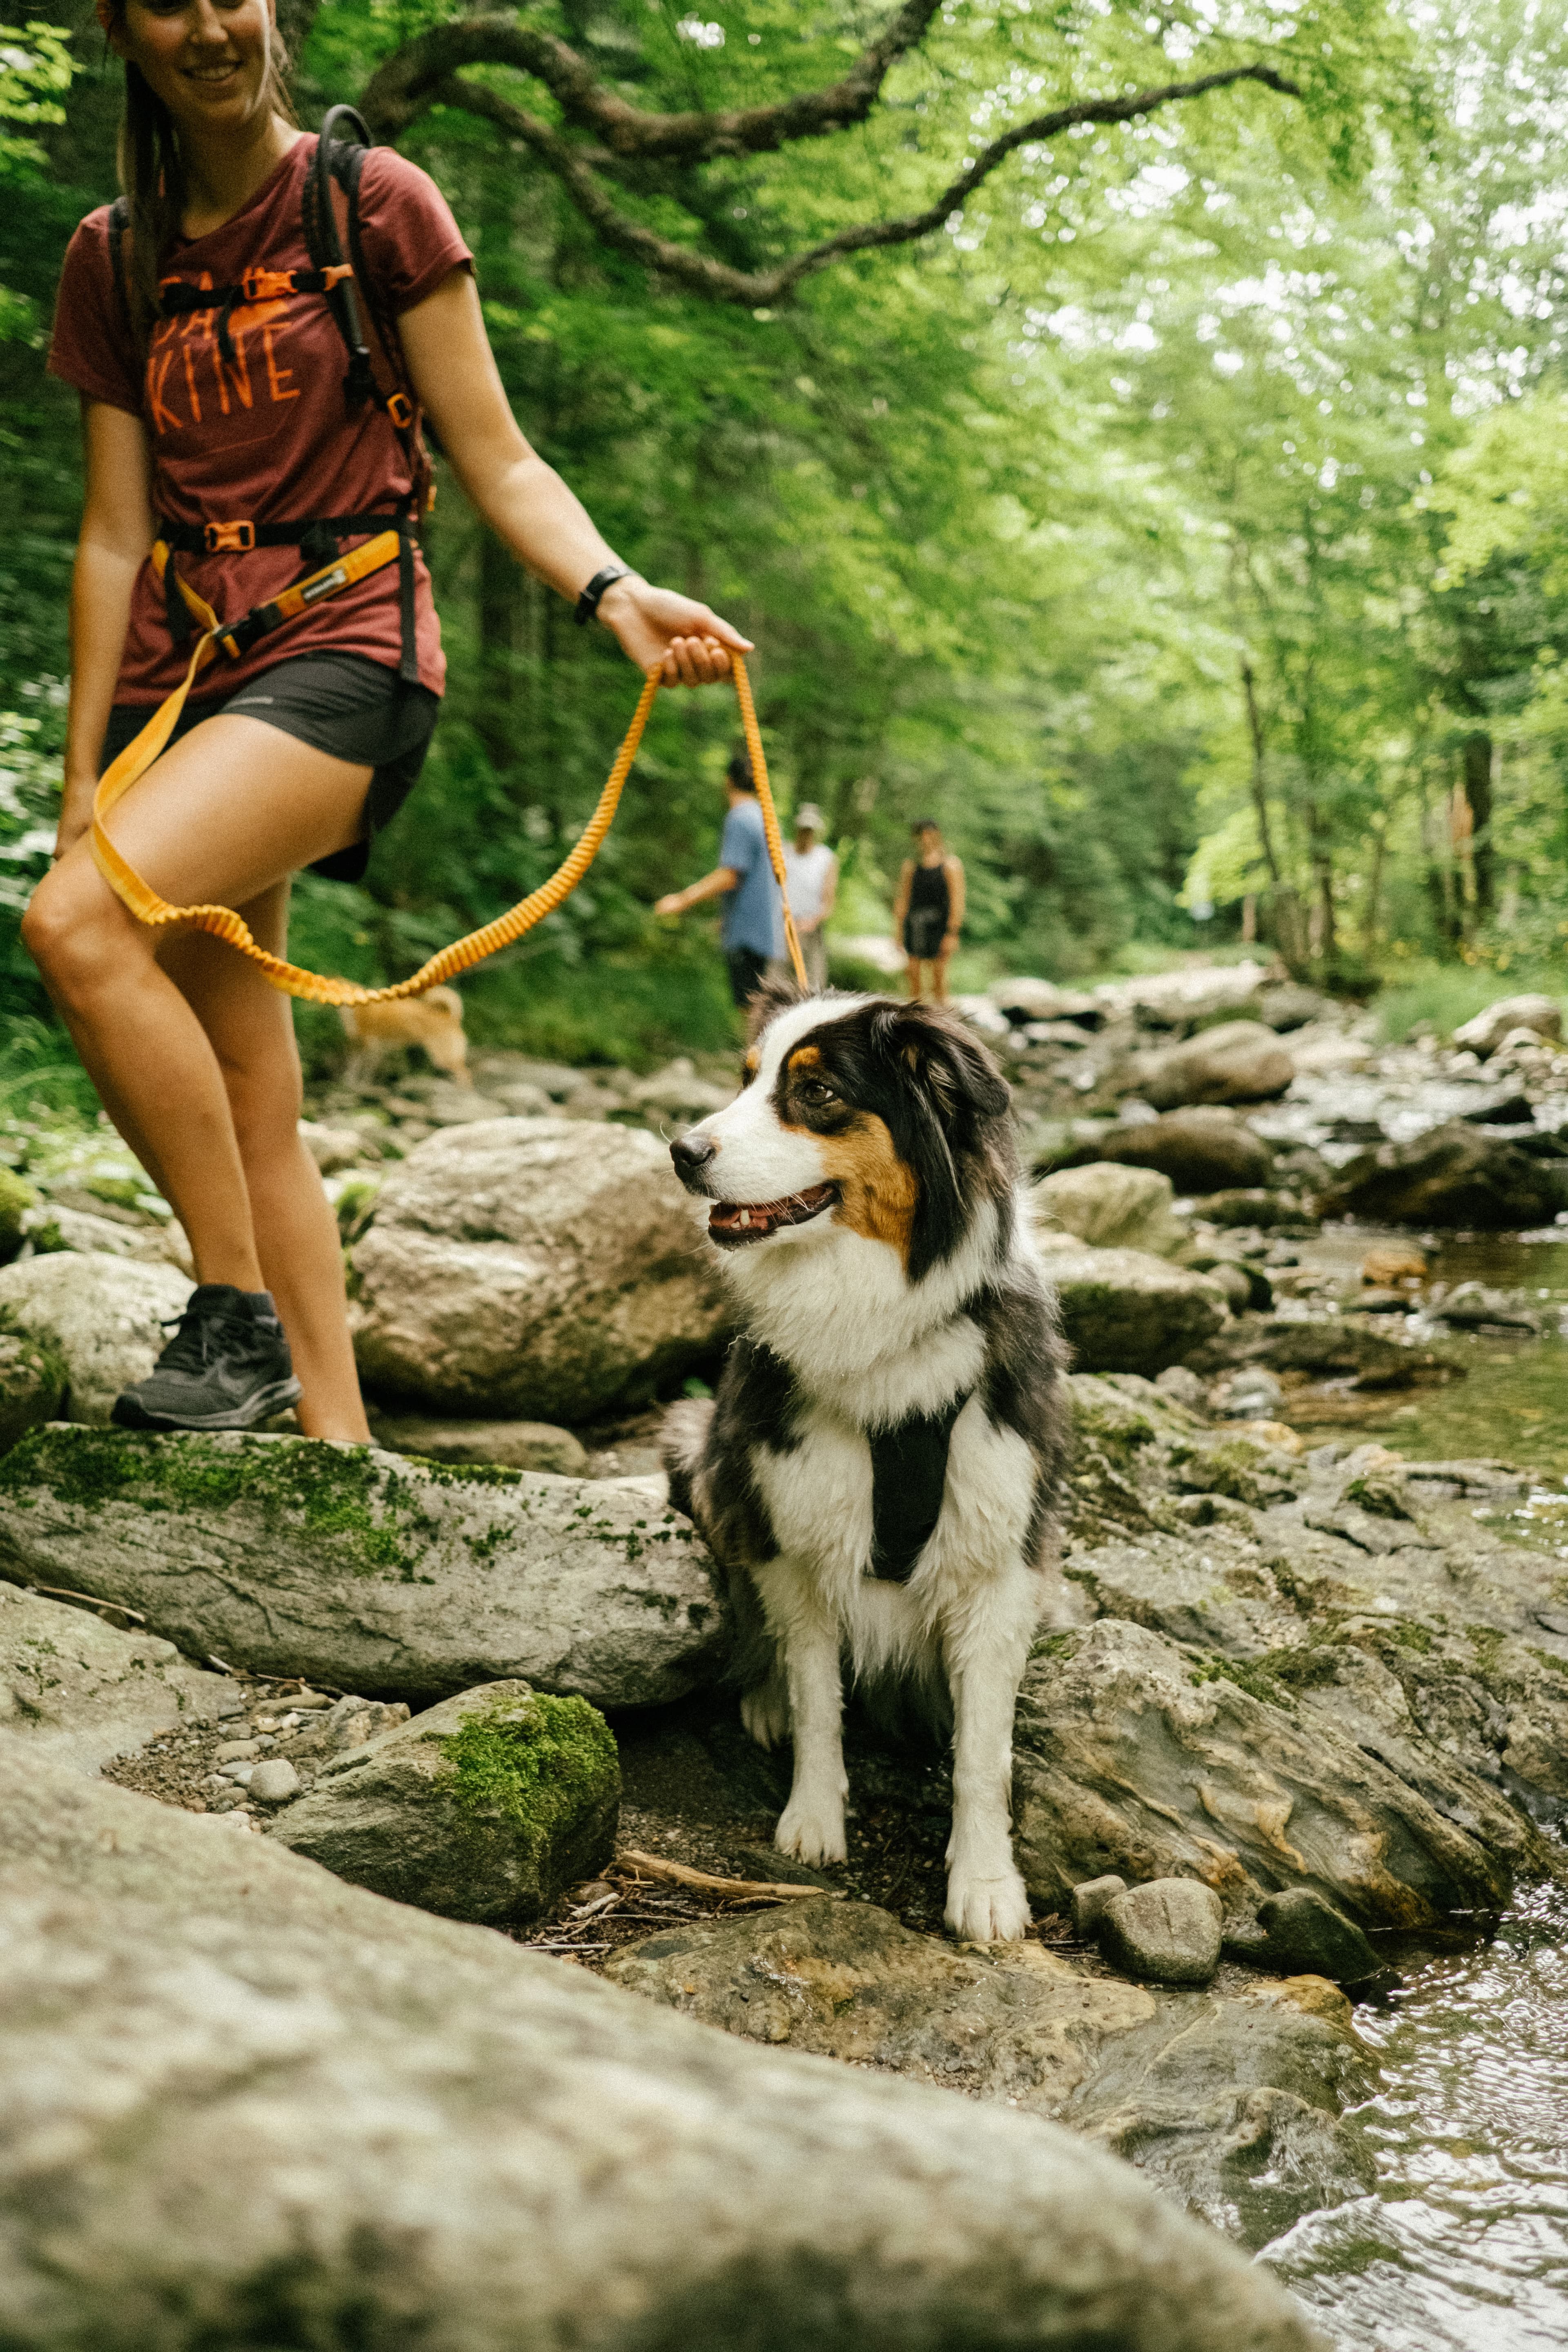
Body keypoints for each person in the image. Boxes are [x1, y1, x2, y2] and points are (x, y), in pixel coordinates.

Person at [24, 0, 752, 1443]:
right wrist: (81, 788)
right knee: (249, 1082)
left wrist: (610, 591)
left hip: (350, 647)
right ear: (126, 30)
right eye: (168, 1)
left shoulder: (373, 203)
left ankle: (230, 1319)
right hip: (186, 683)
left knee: (74, 930)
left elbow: (501, 455)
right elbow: (112, 538)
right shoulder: (114, 256)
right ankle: (342, 1448)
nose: (209, 26)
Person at [654, 752, 782, 1006]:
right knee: (759, 1009)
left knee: (751, 1012)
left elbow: (729, 876)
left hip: (747, 936)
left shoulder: (740, 818)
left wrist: (681, 900)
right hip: (763, 930)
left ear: (727, 781)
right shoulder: (763, 818)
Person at [892, 818, 964, 1002]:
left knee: (939, 979)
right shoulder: (911, 867)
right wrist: (899, 934)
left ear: (937, 835)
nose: (925, 839)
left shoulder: (950, 865)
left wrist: (953, 934)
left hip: (940, 927)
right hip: (915, 925)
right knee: (913, 977)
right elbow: (903, 902)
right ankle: (917, 1023)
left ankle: (944, 1023)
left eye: (929, 834)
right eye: (921, 835)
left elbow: (957, 902)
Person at [777, 802, 837, 993]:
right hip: (783, 928)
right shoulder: (783, 853)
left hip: (811, 931)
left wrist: (813, 921)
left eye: (809, 830)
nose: (805, 834)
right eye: (803, 829)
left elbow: (829, 901)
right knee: (779, 987)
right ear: (797, 828)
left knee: (813, 987)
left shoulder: (826, 858)